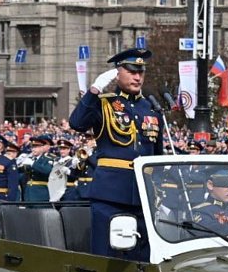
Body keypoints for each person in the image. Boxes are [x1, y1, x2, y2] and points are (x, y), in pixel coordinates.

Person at [68, 47, 164, 259]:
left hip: (141, 194)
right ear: (117, 73)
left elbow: (157, 154)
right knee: (107, 255)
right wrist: (94, 91)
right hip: (110, 193)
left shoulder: (150, 109)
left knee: (140, 257)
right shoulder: (104, 104)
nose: (137, 76)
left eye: (141, 72)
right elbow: (77, 123)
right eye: (131, 71)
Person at [19, 135, 56, 202]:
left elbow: (47, 171)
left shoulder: (47, 160)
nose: (33, 149)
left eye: (36, 147)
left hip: (40, 192)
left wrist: (33, 164)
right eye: (32, 147)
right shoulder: (29, 159)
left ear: (42, 148)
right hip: (28, 192)